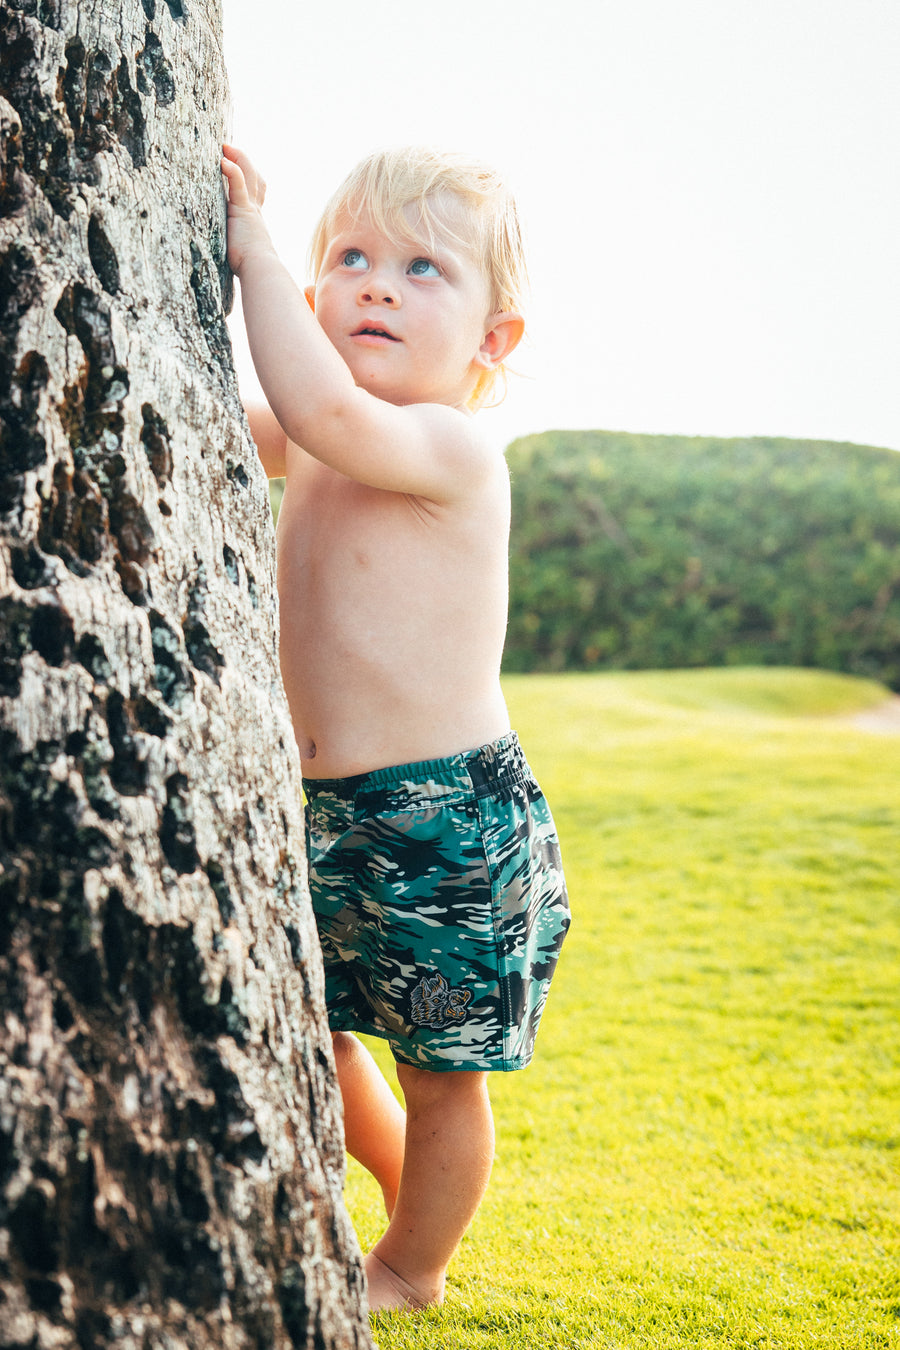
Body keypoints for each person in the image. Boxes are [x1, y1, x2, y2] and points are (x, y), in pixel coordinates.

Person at [221, 143, 570, 1313]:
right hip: (327, 814)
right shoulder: (322, 436)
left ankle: (412, 1269)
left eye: (423, 269)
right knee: (314, 1033)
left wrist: (254, 249)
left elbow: (312, 405)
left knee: (442, 1075)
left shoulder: (444, 449)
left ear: (492, 342)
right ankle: (372, 1191)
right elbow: (223, 420)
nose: (375, 285)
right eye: (350, 258)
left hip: (446, 818)